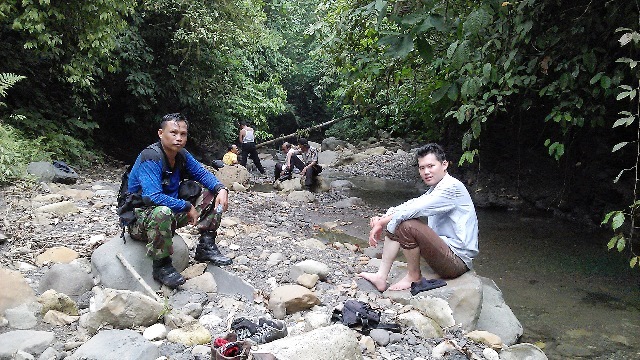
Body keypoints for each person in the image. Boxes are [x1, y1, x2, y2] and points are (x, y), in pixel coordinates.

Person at [125, 113, 233, 289]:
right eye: (173, 133)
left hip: (168, 214)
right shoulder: (150, 157)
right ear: (161, 133)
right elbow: (152, 197)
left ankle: (206, 245)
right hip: (140, 219)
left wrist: (221, 189)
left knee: (213, 195)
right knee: (162, 212)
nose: (178, 138)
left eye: (183, 134)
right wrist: (187, 206)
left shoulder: (181, 154)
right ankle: (161, 265)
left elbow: (202, 173)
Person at [358, 143, 478, 291]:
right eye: (422, 168)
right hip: (445, 254)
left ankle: (413, 276)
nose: (426, 172)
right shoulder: (437, 187)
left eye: (431, 166)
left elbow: (413, 210)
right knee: (400, 220)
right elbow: (411, 204)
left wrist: (381, 223)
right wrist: (384, 217)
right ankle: (381, 277)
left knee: (406, 225)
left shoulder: (452, 187)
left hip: (457, 262)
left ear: (444, 164)